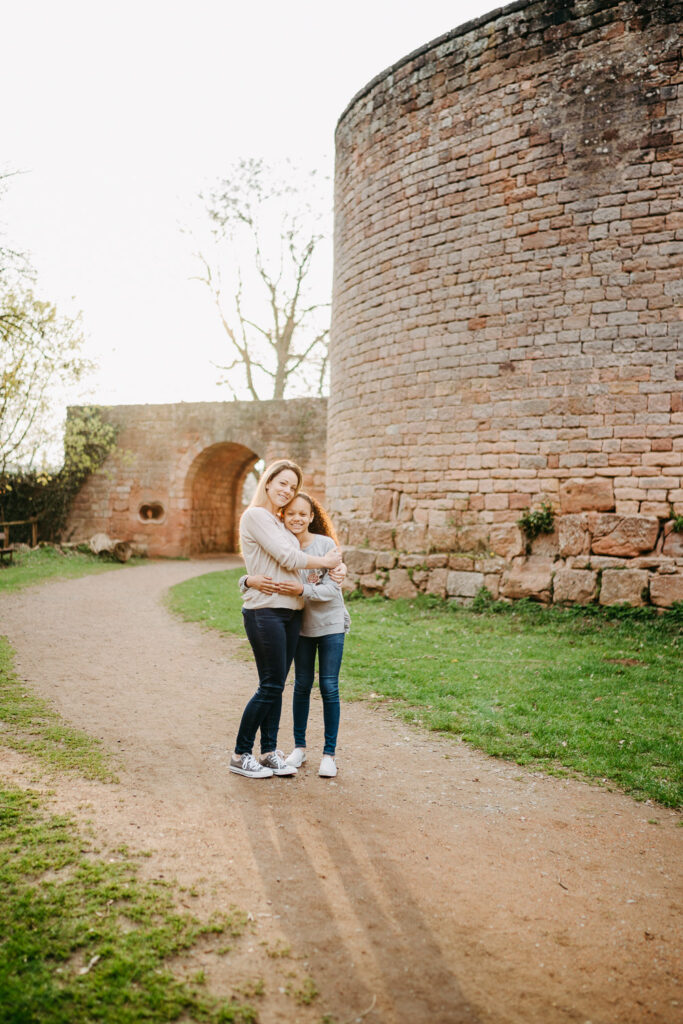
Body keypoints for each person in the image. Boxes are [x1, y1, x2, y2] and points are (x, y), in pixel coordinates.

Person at [230, 459, 342, 780]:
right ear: (267, 481)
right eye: (282, 483)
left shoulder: (279, 523)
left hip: (291, 612)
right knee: (270, 685)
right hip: (266, 610)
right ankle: (240, 754)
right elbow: (288, 557)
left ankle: (268, 753)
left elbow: (298, 555)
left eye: (293, 487)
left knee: (276, 685)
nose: (287, 490)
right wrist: (327, 561)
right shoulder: (255, 516)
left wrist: (336, 566)